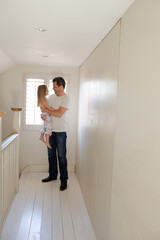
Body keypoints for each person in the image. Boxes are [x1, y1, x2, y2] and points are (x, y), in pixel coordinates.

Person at [41, 77, 69, 191]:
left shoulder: (66, 98)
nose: (53, 88)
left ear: (61, 87)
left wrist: (48, 111)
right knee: (51, 155)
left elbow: (59, 114)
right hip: (50, 131)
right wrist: (43, 114)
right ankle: (52, 175)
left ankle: (63, 180)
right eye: (53, 86)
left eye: (55, 86)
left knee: (61, 157)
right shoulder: (50, 97)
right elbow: (43, 111)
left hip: (61, 131)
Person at [37, 84, 52, 149]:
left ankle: (41, 136)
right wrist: (56, 110)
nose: (48, 91)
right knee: (49, 127)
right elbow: (47, 108)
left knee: (44, 126)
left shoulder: (44, 99)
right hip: (46, 115)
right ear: (43, 92)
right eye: (47, 90)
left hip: (45, 114)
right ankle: (47, 141)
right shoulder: (43, 99)